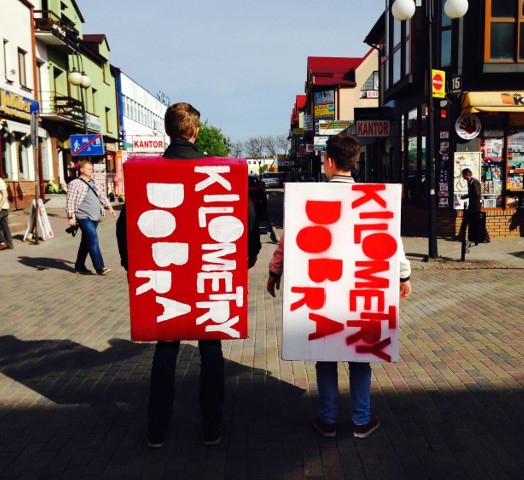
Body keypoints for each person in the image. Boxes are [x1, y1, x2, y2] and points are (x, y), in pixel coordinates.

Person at [115, 102, 261, 449]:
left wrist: (133, 268)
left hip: (166, 277)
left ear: (169, 131)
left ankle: (157, 428)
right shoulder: (220, 174)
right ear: (195, 131)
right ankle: (211, 426)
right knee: (210, 349)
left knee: (166, 349)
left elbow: (126, 228)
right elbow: (246, 215)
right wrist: (246, 258)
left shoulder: (145, 174)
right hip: (210, 276)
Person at [266, 134, 412, 439]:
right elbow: (391, 244)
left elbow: (288, 240)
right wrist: (403, 276)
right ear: (355, 161)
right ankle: (361, 420)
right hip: (361, 289)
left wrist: (274, 271)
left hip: (324, 291)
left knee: (326, 353)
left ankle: (328, 419)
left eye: (323, 160)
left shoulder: (310, 198)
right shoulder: (373, 199)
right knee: (360, 355)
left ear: (330, 161)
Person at [65, 160, 115, 274]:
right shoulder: (75, 183)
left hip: (94, 217)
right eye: (89, 169)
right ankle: (100, 268)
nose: (91, 171)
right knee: (93, 240)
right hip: (83, 216)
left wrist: (110, 207)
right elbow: (70, 201)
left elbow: (102, 195)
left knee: (86, 242)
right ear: (82, 170)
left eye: (92, 169)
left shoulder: (94, 182)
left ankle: (79, 265)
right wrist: (71, 217)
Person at [457, 168, 489, 244]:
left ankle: (486, 237)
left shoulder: (473, 182)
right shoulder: (470, 182)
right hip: (473, 204)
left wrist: (466, 196)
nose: (463, 177)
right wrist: (466, 196)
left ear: (467, 175)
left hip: (475, 205)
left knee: (477, 221)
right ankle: (461, 235)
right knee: (466, 220)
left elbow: (476, 194)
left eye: (463, 175)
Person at [0, 167, 13, 251]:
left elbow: (5, 194)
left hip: (0, 208)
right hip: (1, 208)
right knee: (4, 226)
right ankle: (9, 243)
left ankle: (2, 242)